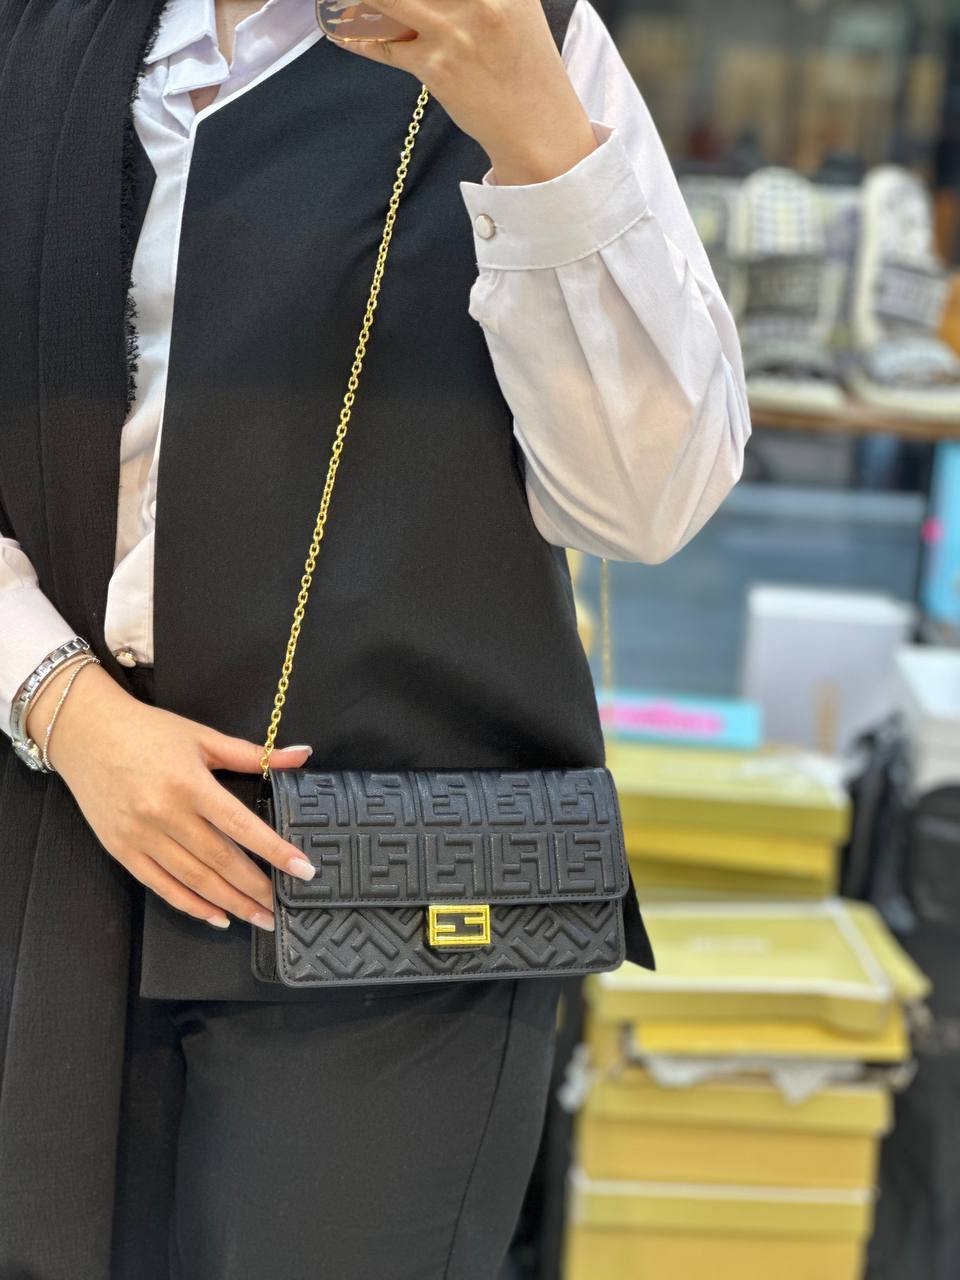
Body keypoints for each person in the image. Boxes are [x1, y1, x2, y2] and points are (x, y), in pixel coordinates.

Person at [0, 0, 750, 1276]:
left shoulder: (522, 37)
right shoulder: (37, 42)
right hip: (51, 837)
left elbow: (647, 502)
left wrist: (533, 133)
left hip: (395, 905)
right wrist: (62, 702)